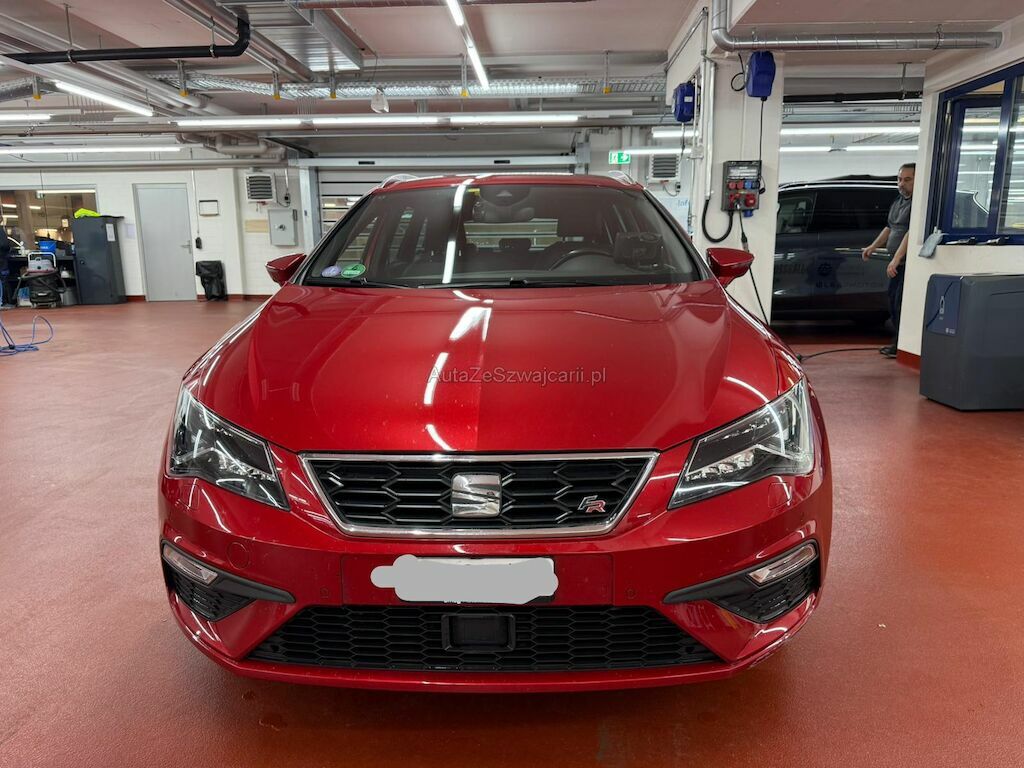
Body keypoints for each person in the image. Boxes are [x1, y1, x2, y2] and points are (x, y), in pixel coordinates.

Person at [862, 163, 915, 358]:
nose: (901, 184)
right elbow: (890, 227)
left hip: (906, 264)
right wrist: (873, 246)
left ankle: (902, 345)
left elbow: (911, 232)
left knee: (900, 303)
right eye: (899, 179)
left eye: (907, 180)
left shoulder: (917, 204)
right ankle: (898, 343)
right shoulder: (899, 201)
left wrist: (897, 258)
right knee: (893, 301)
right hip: (897, 262)